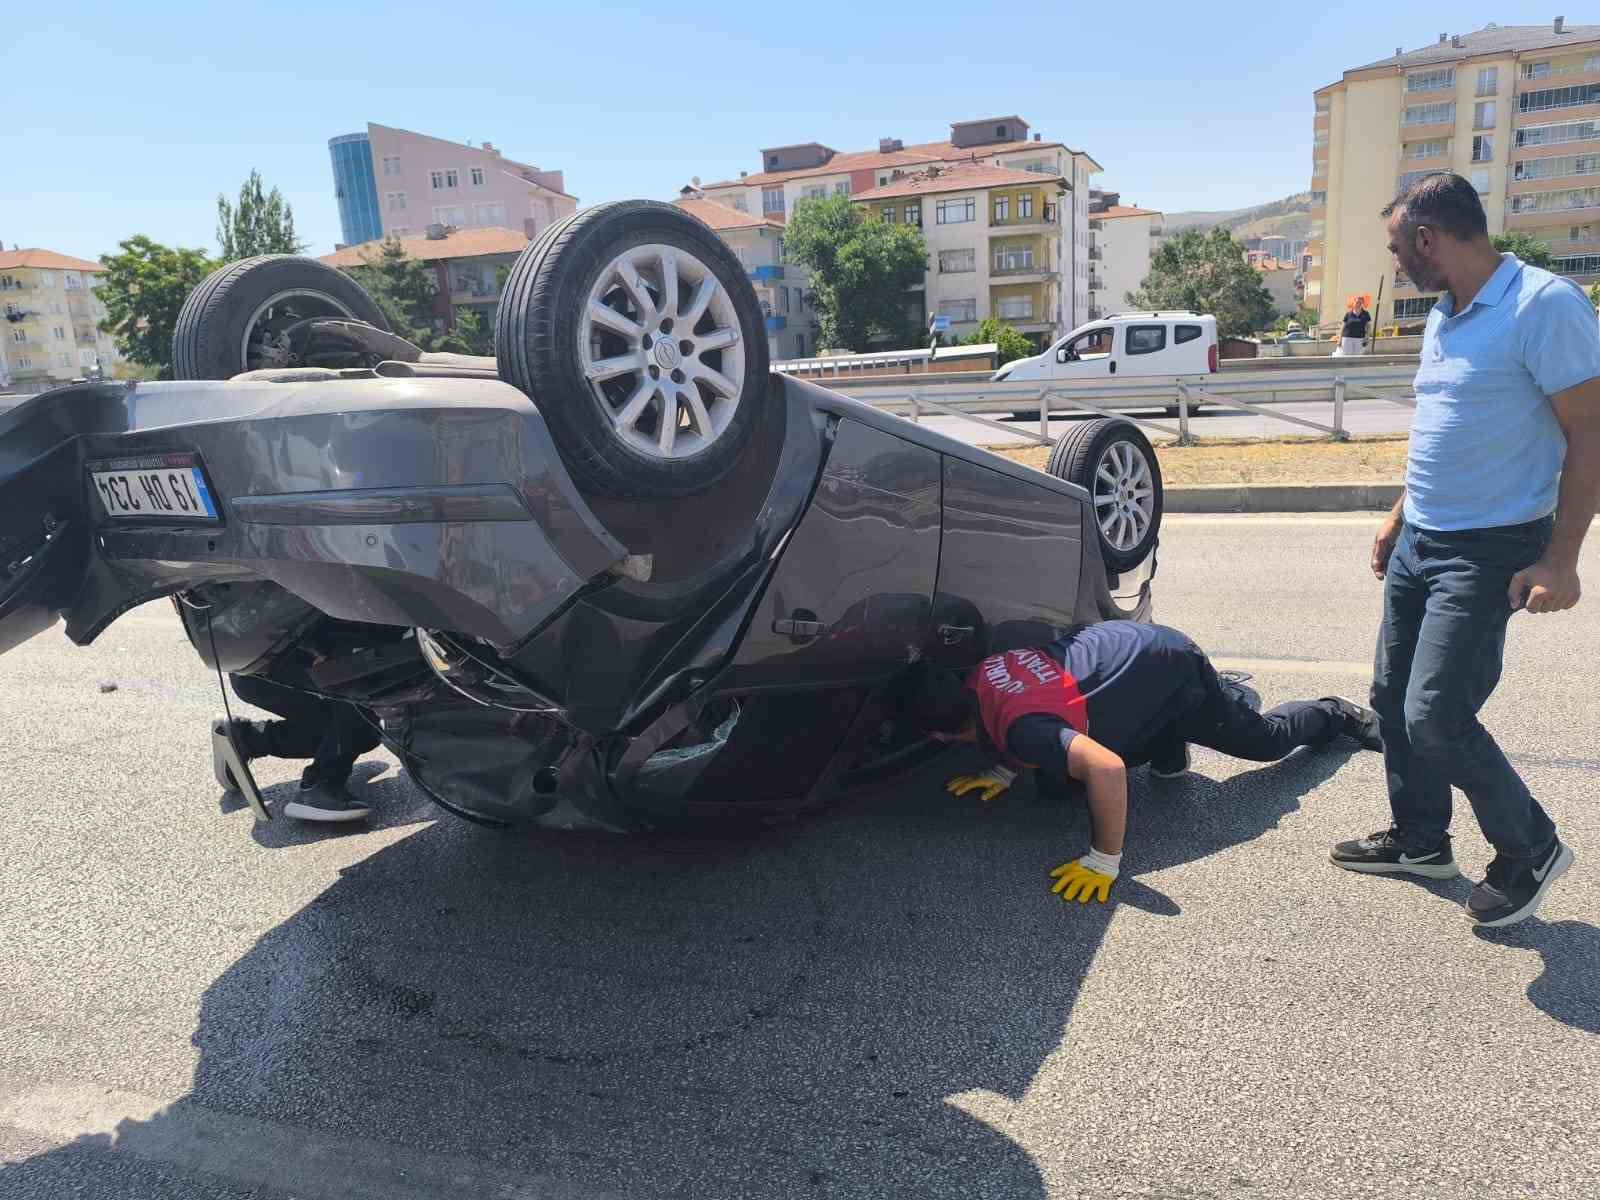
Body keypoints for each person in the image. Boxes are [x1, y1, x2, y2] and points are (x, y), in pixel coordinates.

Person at [1329, 172, 1600, 928]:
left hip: (1490, 548)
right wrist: (1397, 513)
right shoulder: (1447, 316)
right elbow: (1446, 429)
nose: (1395, 265)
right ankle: (1421, 840)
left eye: (1395, 248)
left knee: (1437, 715)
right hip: (1423, 536)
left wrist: (1563, 556)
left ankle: (1531, 848)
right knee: (1391, 698)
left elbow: (1592, 432)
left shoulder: (1543, 306)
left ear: (1427, 239)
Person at [907, 622, 1381, 905]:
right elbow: (1017, 716)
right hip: (1122, 650)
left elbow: (1106, 767)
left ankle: (1333, 711)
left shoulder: (1021, 729)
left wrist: (1103, 861)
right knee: (1058, 782)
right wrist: (1002, 770)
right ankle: (1166, 738)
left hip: (1170, 664)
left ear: (940, 735)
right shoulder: (977, 676)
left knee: (1262, 741)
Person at [212, 673, 381, 822]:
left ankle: (247, 740)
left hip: (252, 667)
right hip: (272, 669)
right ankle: (319, 786)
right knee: (360, 697)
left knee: (362, 732)